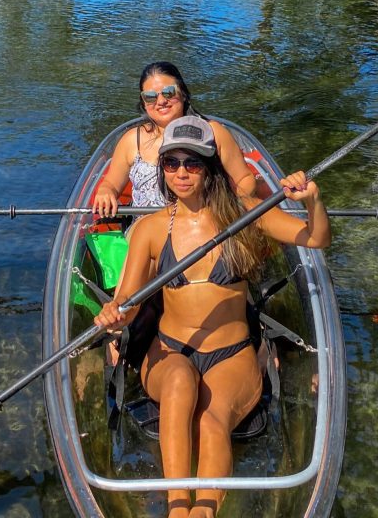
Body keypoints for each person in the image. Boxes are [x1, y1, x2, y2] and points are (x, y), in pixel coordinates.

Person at [94, 116, 331, 518]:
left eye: (194, 163)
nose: (182, 172)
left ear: (211, 167)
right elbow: (130, 300)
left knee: (211, 421)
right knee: (179, 386)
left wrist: (311, 201)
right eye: (172, 163)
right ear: (163, 168)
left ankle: (203, 512)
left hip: (233, 354)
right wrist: (115, 314)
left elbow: (316, 238)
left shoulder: (245, 215)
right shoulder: (152, 228)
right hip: (168, 352)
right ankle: (176, 506)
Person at [92, 61, 256, 217]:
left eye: (168, 92)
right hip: (145, 232)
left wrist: (225, 212)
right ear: (143, 102)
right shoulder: (131, 140)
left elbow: (245, 179)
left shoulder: (213, 133)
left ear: (183, 94)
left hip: (204, 229)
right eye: (150, 97)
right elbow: (111, 183)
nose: (161, 101)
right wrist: (105, 191)